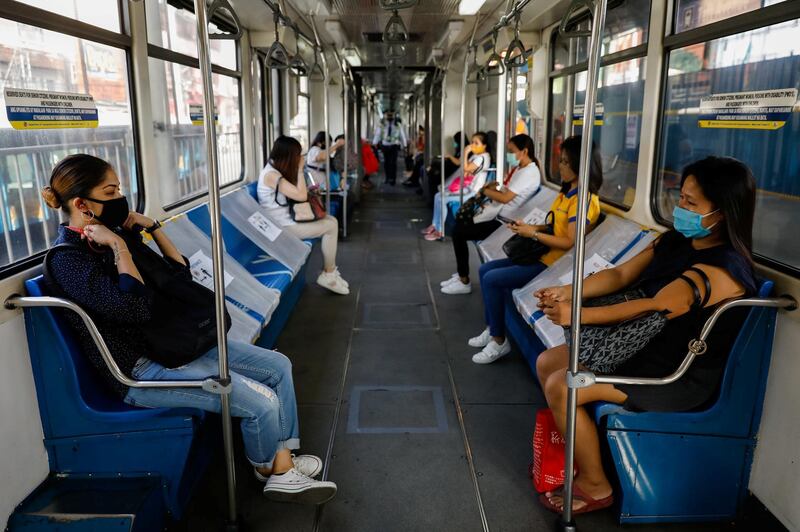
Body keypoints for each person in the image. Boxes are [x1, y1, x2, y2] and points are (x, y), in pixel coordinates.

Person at [41, 153, 338, 504]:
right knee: (264, 402)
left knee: (278, 366)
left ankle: (280, 461)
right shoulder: (69, 259)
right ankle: (274, 471)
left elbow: (179, 276)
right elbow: (133, 307)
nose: (120, 198)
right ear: (81, 204)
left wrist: (152, 229)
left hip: (174, 345)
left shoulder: (111, 237)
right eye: (111, 192)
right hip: (143, 370)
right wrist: (119, 246)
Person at [534, 156, 757, 515]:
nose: (680, 208)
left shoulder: (720, 270)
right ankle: (578, 451)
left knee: (565, 384)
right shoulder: (676, 241)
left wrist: (576, 314)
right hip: (644, 348)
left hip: (675, 372)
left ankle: (597, 484)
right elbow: (621, 276)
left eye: (691, 203)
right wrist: (569, 292)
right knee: (548, 362)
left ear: (723, 213)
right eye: (680, 197)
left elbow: (650, 308)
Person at [468, 136, 604, 363]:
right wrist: (530, 227)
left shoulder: (584, 200)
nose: (560, 166)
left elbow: (569, 241)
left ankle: (499, 341)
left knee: (492, 279)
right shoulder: (566, 192)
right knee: (485, 271)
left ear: (581, 165)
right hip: (541, 252)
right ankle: (492, 328)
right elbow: (553, 226)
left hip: (552, 263)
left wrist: (533, 234)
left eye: (565, 162)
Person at [440, 133, 542, 295]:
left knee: (458, 233)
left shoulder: (529, 172)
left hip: (505, 221)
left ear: (524, 151)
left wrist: (486, 191)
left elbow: (505, 198)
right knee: (460, 227)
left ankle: (464, 280)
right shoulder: (519, 168)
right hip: (498, 215)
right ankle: (461, 274)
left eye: (512, 151)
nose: (509, 155)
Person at [258, 136, 350, 295]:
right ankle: (328, 274)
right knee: (331, 226)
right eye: (298, 155)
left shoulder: (276, 170)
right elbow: (300, 196)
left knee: (331, 220)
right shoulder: (270, 175)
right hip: (281, 228)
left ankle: (330, 271)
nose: (300, 158)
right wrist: (300, 169)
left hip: (287, 222)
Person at [421, 131, 493, 241]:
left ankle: (440, 231)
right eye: (472, 142)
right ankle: (435, 225)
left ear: (484, 146)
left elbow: (465, 169)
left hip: (473, 192)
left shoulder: (482, 157)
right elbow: (465, 172)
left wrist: (465, 152)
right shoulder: (476, 156)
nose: (472, 145)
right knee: (437, 195)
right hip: (467, 188)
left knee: (442, 199)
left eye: (476, 143)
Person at [372, 110, 407, 185]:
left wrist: (405, 144)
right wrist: (374, 143)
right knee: (386, 163)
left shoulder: (398, 125)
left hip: (394, 145)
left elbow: (402, 134)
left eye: (391, 115)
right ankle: (387, 178)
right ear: (385, 116)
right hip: (385, 145)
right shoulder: (382, 125)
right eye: (388, 115)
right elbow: (378, 134)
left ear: (394, 116)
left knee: (393, 163)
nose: (390, 117)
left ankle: (393, 179)